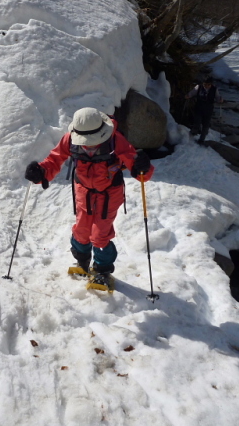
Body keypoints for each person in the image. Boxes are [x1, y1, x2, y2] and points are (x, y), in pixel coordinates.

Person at [25, 107, 154, 287]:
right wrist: (41, 171)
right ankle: (82, 262)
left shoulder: (115, 140)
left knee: (99, 235)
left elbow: (139, 170)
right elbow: (55, 159)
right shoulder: (70, 139)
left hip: (110, 194)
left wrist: (143, 167)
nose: (88, 144)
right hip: (83, 191)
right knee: (81, 230)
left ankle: (102, 270)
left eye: (93, 141)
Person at [185, 76, 223, 145]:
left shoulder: (214, 89)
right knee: (197, 121)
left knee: (206, 125)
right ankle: (193, 133)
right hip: (199, 108)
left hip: (208, 109)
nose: (206, 86)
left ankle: (201, 139)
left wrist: (220, 100)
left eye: (208, 84)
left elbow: (217, 97)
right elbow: (192, 92)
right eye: (205, 84)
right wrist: (188, 95)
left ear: (211, 84)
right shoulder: (198, 87)